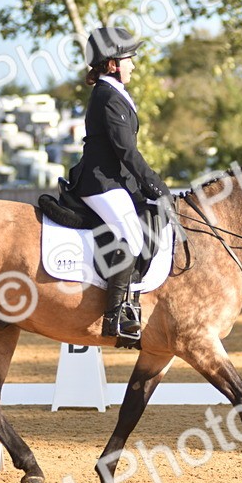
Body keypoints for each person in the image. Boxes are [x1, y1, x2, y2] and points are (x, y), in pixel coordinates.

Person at [66, 26, 171, 340]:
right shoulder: (107, 95)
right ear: (112, 63)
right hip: (100, 182)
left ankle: (130, 304)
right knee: (132, 236)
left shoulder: (113, 92)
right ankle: (116, 316)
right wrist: (155, 184)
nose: (134, 65)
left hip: (115, 181)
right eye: (129, 59)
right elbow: (126, 150)